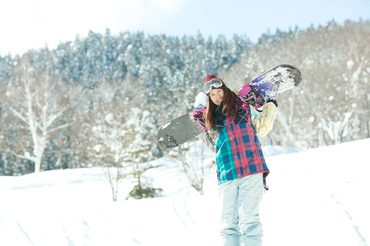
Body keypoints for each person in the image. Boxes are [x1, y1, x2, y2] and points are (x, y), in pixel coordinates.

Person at [201, 74, 277, 246]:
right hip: (227, 174)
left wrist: (270, 107)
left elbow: (262, 128)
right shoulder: (212, 120)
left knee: (249, 220)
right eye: (212, 95)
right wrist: (206, 129)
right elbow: (214, 148)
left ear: (225, 90)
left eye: (219, 91)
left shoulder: (244, 108)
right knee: (228, 224)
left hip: (251, 169)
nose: (216, 97)